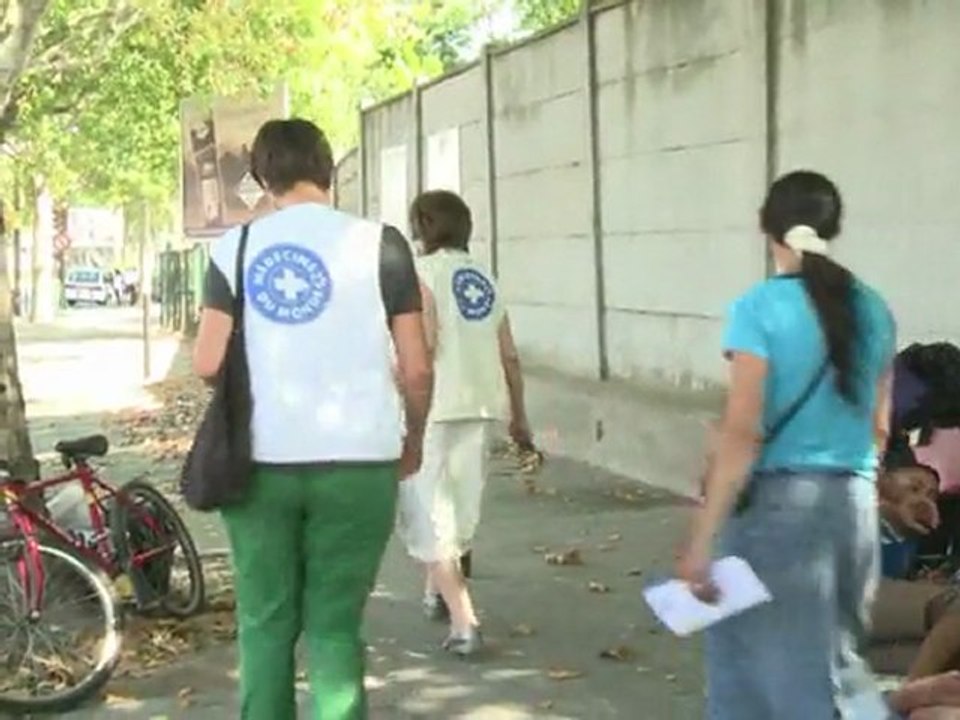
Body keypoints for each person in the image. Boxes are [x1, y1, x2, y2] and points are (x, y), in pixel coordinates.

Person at [192, 118, 433, 720]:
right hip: (360, 462)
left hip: (259, 463)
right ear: (329, 169)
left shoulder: (235, 247)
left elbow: (206, 361)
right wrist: (415, 437)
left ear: (261, 177)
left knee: (266, 622)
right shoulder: (384, 243)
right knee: (335, 625)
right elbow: (418, 368)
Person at [677, 170, 897, 719]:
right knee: (838, 670)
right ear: (834, 227)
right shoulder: (873, 308)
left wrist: (702, 539)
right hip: (854, 510)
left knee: (754, 681)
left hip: (778, 515)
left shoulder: (759, 308)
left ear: (766, 229)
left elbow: (743, 431)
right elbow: (879, 428)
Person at [397, 190, 532, 657]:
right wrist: (520, 416)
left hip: (434, 408)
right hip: (481, 405)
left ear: (423, 226)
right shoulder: (485, 279)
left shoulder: (421, 275)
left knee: (426, 512)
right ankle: (436, 591)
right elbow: (509, 354)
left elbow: (425, 344)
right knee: (454, 511)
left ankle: (464, 622)